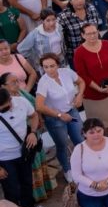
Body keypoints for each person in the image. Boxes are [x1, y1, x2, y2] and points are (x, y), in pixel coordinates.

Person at [35, 53, 83, 182]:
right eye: (45, 67)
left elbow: (81, 82)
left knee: (79, 139)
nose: (49, 70)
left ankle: (84, 164)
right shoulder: (43, 82)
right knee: (62, 145)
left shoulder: (66, 72)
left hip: (72, 111)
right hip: (55, 118)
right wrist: (59, 115)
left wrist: (79, 96)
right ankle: (67, 169)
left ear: (58, 65)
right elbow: (39, 106)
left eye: (52, 66)